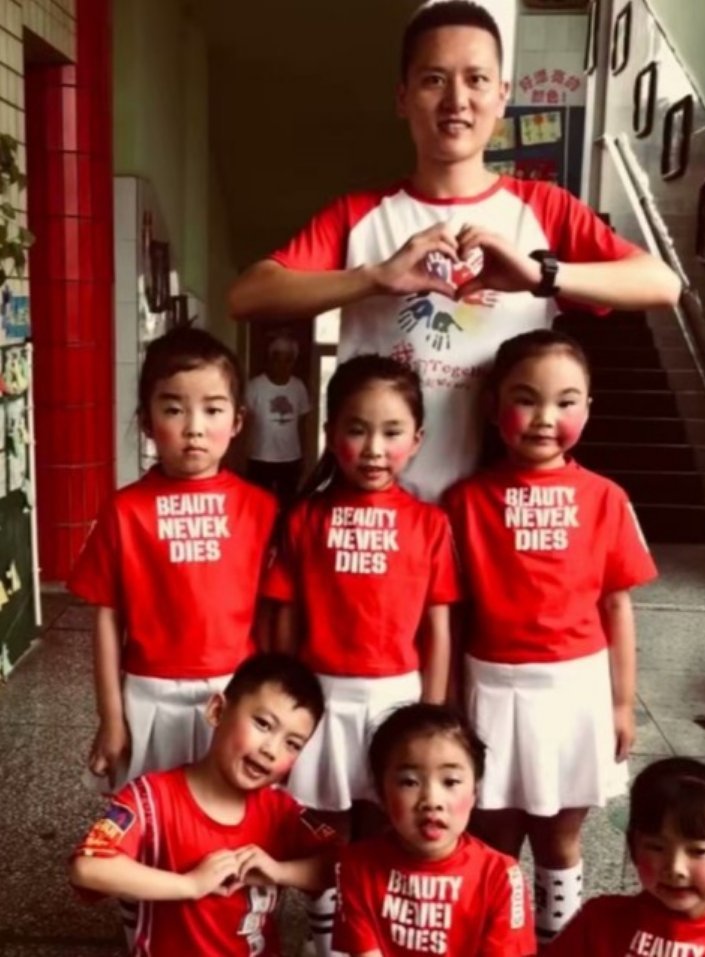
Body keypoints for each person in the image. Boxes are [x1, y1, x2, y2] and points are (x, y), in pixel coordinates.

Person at [228, 0, 680, 504]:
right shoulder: (359, 213)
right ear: (402, 97)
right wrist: (374, 278)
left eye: (476, 79)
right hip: (381, 511)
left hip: (499, 510)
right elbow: (247, 296)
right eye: (434, 80)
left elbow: (662, 284)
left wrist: (541, 276)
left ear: (502, 95)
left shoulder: (545, 208)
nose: (456, 100)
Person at [443, 329, 658, 944]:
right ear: (493, 407)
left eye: (566, 402)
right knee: (494, 837)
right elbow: (451, 614)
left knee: (560, 837)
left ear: (589, 408)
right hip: (490, 689)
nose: (545, 418)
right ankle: (498, 941)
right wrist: (450, 700)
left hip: (576, 692)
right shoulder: (463, 502)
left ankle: (561, 943)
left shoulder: (607, 499)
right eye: (526, 398)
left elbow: (617, 605)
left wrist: (621, 704)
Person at [262, 354, 460, 954]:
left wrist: (430, 716)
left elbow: (438, 627)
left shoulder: (429, 524)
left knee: (389, 824)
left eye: (392, 432)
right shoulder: (305, 518)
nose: (374, 448)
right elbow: (285, 619)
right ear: (330, 433)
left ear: (417, 439)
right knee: (327, 827)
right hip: (321, 699)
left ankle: (371, 933)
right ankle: (326, 937)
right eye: (357, 429)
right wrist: (285, 706)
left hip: (397, 699)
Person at [68, 327, 278, 793]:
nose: (194, 427)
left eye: (212, 409)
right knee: (152, 812)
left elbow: (270, 613)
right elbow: (106, 620)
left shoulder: (261, 509)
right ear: (147, 421)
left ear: (238, 420)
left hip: (238, 693)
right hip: (149, 695)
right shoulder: (124, 511)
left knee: (229, 811)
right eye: (174, 409)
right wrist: (111, 718)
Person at [70, 653, 340, 957]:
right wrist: (190, 885)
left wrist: (280, 872)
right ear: (217, 711)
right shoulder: (151, 799)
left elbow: (342, 868)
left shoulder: (282, 811)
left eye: (292, 744)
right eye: (263, 724)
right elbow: (88, 867)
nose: (271, 750)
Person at [333, 702, 536, 957]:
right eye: (409, 782)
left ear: (474, 791)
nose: (431, 800)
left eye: (450, 781)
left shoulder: (502, 877)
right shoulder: (355, 866)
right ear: (381, 794)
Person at [545, 758, 705, 957]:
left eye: (698, 851)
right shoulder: (599, 921)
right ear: (634, 848)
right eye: (656, 847)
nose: (675, 868)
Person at [245, 333, 311, 509]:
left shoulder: (298, 387)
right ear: (270, 360)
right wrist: (241, 457)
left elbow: (303, 425)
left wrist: (305, 456)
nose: (282, 365)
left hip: (291, 458)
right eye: (277, 359)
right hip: (260, 457)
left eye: (287, 360)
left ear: (293, 362)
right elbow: (244, 424)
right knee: (259, 506)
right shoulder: (255, 386)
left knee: (288, 506)